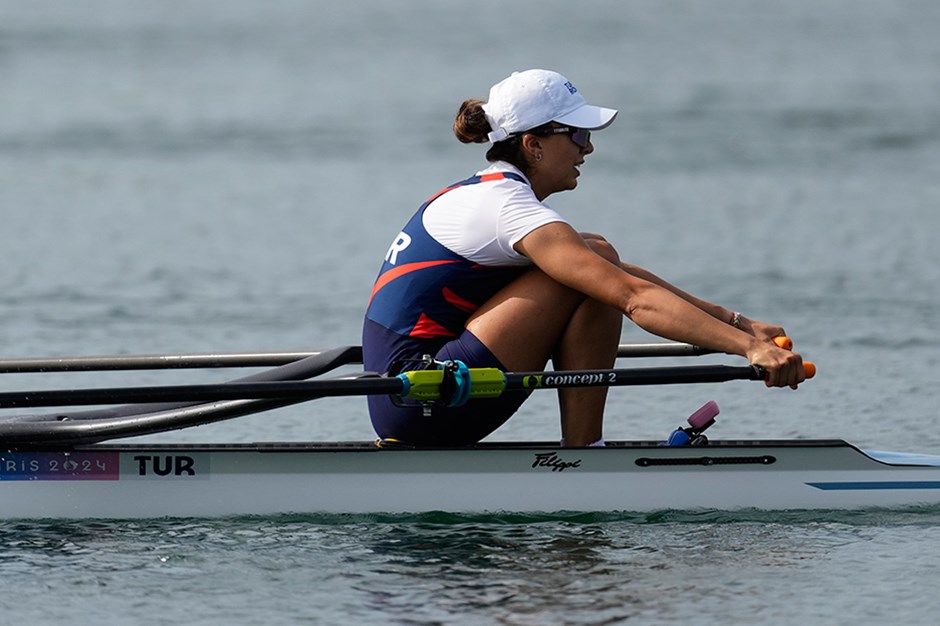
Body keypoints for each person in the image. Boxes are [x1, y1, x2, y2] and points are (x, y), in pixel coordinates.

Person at [362, 69, 806, 447]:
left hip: (420, 389)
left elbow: (617, 274)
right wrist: (751, 350)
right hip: (422, 395)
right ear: (533, 144)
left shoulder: (490, 194)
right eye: (576, 134)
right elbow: (634, 299)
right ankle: (584, 457)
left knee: (595, 255)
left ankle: (584, 454)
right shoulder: (505, 207)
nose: (587, 148)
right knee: (589, 281)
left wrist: (739, 323)